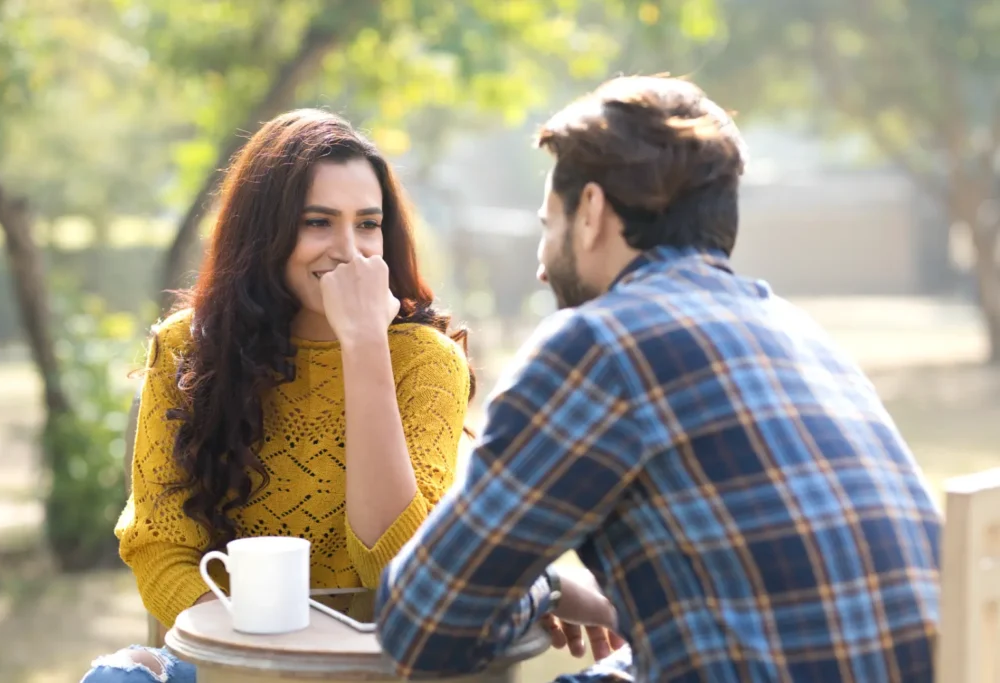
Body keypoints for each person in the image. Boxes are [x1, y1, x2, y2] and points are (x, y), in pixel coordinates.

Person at [374, 75, 941, 682]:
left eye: (548, 226)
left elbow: (420, 623)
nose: (542, 268)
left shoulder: (598, 345)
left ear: (590, 212)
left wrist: (546, 586)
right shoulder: (801, 335)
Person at [81, 110, 474, 683]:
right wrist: (251, 662)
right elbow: (161, 547)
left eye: (368, 224)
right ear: (264, 231)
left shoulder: (426, 362)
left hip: (368, 665)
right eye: (318, 223)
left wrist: (364, 343)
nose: (350, 250)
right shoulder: (187, 348)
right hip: (224, 655)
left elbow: (397, 566)